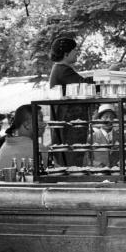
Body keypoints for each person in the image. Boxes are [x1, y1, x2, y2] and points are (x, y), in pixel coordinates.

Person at [47, 36, 93, 165]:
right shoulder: (63, 70)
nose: (76, 53)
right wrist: (107, 75)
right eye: (74, 50)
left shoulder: (61, 69)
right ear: (66, 54)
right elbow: (86, 86)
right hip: (69, 129)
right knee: (72, 163)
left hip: (67, 127)